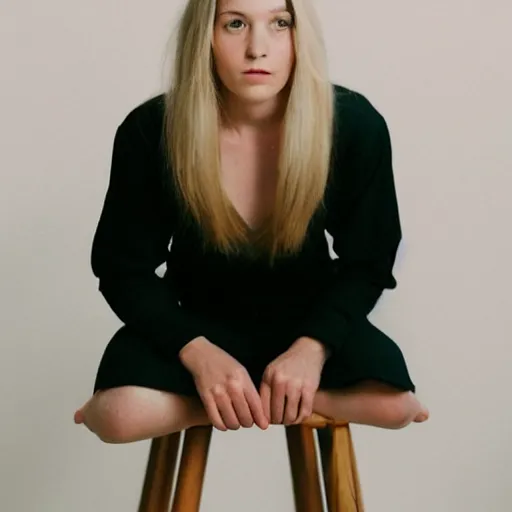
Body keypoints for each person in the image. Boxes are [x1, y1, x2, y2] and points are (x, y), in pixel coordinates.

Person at [74, 0, 429, 443]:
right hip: (195, 323)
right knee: (116, 416)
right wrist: (198, 355)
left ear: (302, 36)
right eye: (235, 24)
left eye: (280, 23)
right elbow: (122, 268)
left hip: (309, 321)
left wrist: (311, 350)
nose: (256, 48)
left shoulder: (354, 124)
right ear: (204, 35)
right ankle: (251, 399)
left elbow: (370, 260)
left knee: (396, 407)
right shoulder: (152, 130)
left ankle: (251, 400)